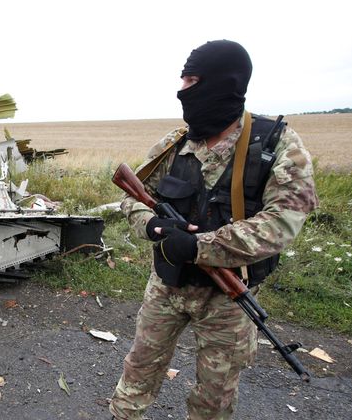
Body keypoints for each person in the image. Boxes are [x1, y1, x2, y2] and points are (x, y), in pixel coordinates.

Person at [109, 40, 319, 419]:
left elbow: (283, 223)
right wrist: (154, 226)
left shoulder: (275, 144)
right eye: (183, 80)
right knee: (138, 371)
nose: (183, 90)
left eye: (193, 80)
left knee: (214, 397)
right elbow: (133, 199)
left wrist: (199, 247)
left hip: (227, 296)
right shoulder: (175, 143)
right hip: (167, 286)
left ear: (226, 84)